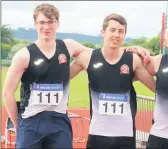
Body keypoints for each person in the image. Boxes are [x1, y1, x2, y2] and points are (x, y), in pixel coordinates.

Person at [2, 3, 93, 148]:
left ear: (57, 23)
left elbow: (99, 55)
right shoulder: (24, 55)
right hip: (31, 120)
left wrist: (128, 50)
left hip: (59, 120)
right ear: (35, 24)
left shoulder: (68, 46)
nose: (46, 27)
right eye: (42, 22)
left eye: (51, 22)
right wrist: (19, 124)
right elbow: (7, 93)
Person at [69, 13, 156, 149]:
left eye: (121, 31)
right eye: (112, 30)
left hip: (125, 136)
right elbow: (60, 78)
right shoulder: (86, 58)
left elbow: (156, 87)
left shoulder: (133, 60)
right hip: (98, 134)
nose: (116, 35)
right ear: (103, 32)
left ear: (124, 35)